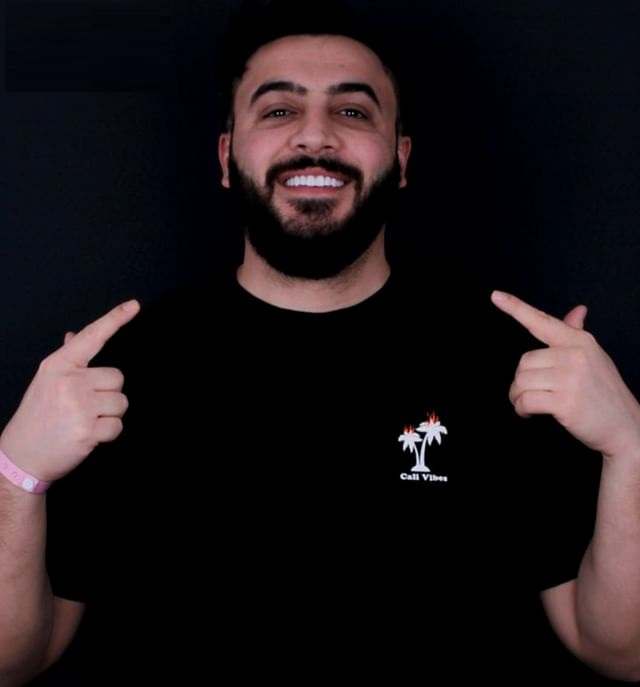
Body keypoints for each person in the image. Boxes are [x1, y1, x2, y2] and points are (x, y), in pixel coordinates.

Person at [2, 1, 640, 684]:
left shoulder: (511, 363)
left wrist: (630, 445)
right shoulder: (118, 376)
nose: (315, 135)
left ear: (401, 159)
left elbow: (619, 651)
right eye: (279, 110)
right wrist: (17, 470)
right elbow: (13, 661)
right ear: (226, 156)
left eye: (353, 111)